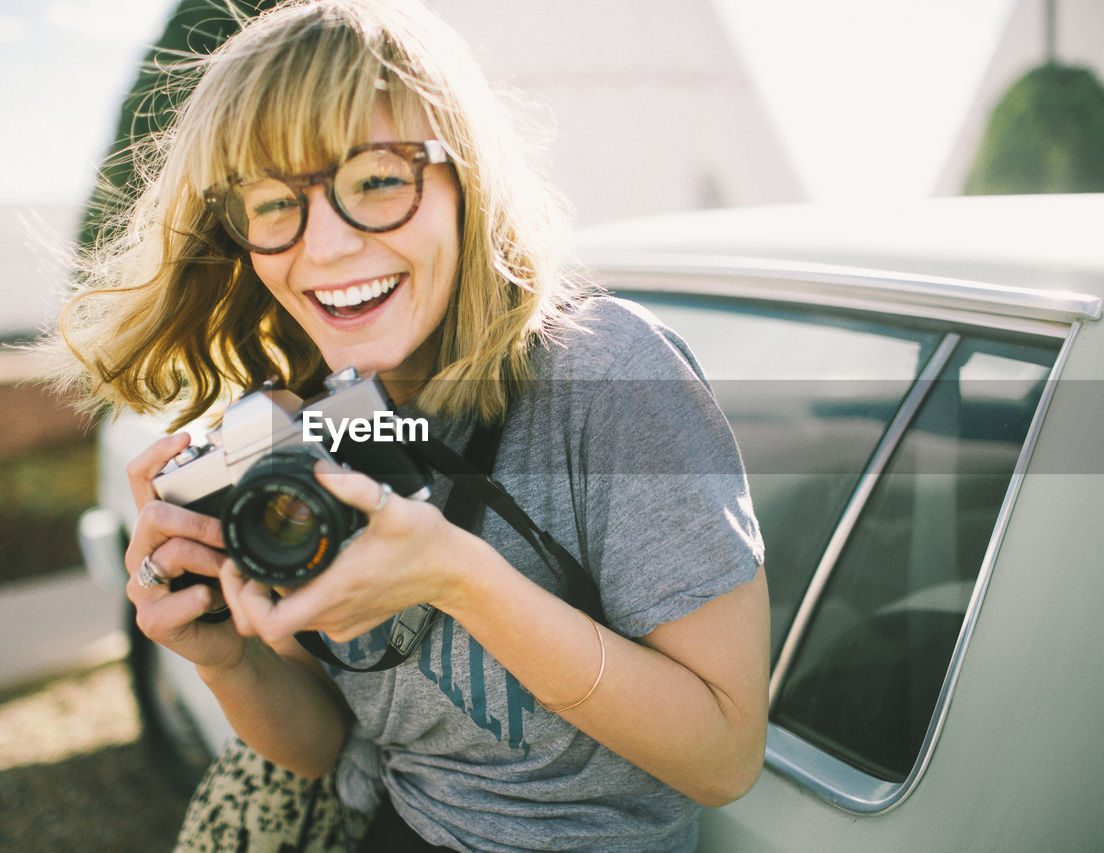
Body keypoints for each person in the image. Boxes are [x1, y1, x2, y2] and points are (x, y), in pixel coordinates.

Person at [49, 0, 769, 849]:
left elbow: (723, 755)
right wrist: (221, 654)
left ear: (467, 178)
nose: (323, 247)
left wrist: (458, 577)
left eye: (378, 181)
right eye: (274, 203)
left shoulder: (604, 373)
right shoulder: (294, 419)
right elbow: (323, 745)